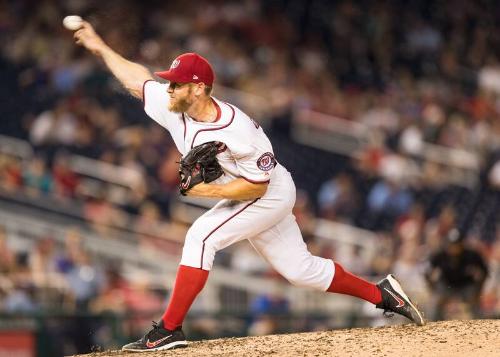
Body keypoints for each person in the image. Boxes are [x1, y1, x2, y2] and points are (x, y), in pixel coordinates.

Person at [72, 21, 425, 352]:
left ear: (198, 89)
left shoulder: (238, 131)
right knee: (300, 271)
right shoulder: (174, 106)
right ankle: (383, 295)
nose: (170, 87)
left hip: (266, 192)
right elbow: (138, 80)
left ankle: (168, 330)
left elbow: (256, 188)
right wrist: (99, 46)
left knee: (201, 236)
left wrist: (202, 192)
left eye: (177, 83)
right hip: (250, 193)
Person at [425, 229, 488, 320]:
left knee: (474, 303)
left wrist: (478, 291)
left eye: (456, 245)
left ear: (462, 244)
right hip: (447, 285)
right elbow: (427, 274)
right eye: (451, 245)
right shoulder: (440, 255)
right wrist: (434, 290)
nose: (454, 248)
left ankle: (480, 324)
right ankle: (433, 323)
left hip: (466, 285)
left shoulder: (472, 255)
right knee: (436, 302)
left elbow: (484, 273)